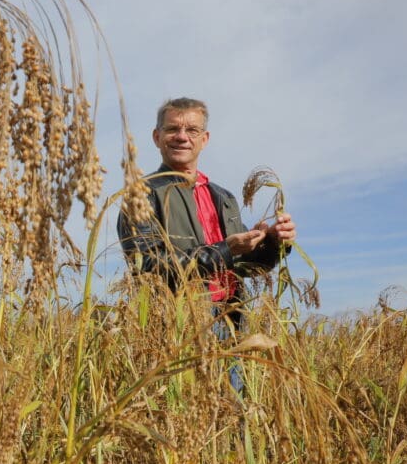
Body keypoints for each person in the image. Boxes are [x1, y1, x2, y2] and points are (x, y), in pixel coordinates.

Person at [117, 98, 297, 388]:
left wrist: (273, 243)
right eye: (173, 128)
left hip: (231, 320)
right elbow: (148, 266)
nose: (182, 137)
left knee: (232, 419)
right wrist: (228, 249)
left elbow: (244, 266)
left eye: (192, 129)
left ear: (205, 139)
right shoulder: (142, 194)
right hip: (177, 326)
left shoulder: (223, 197)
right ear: (157, 137)